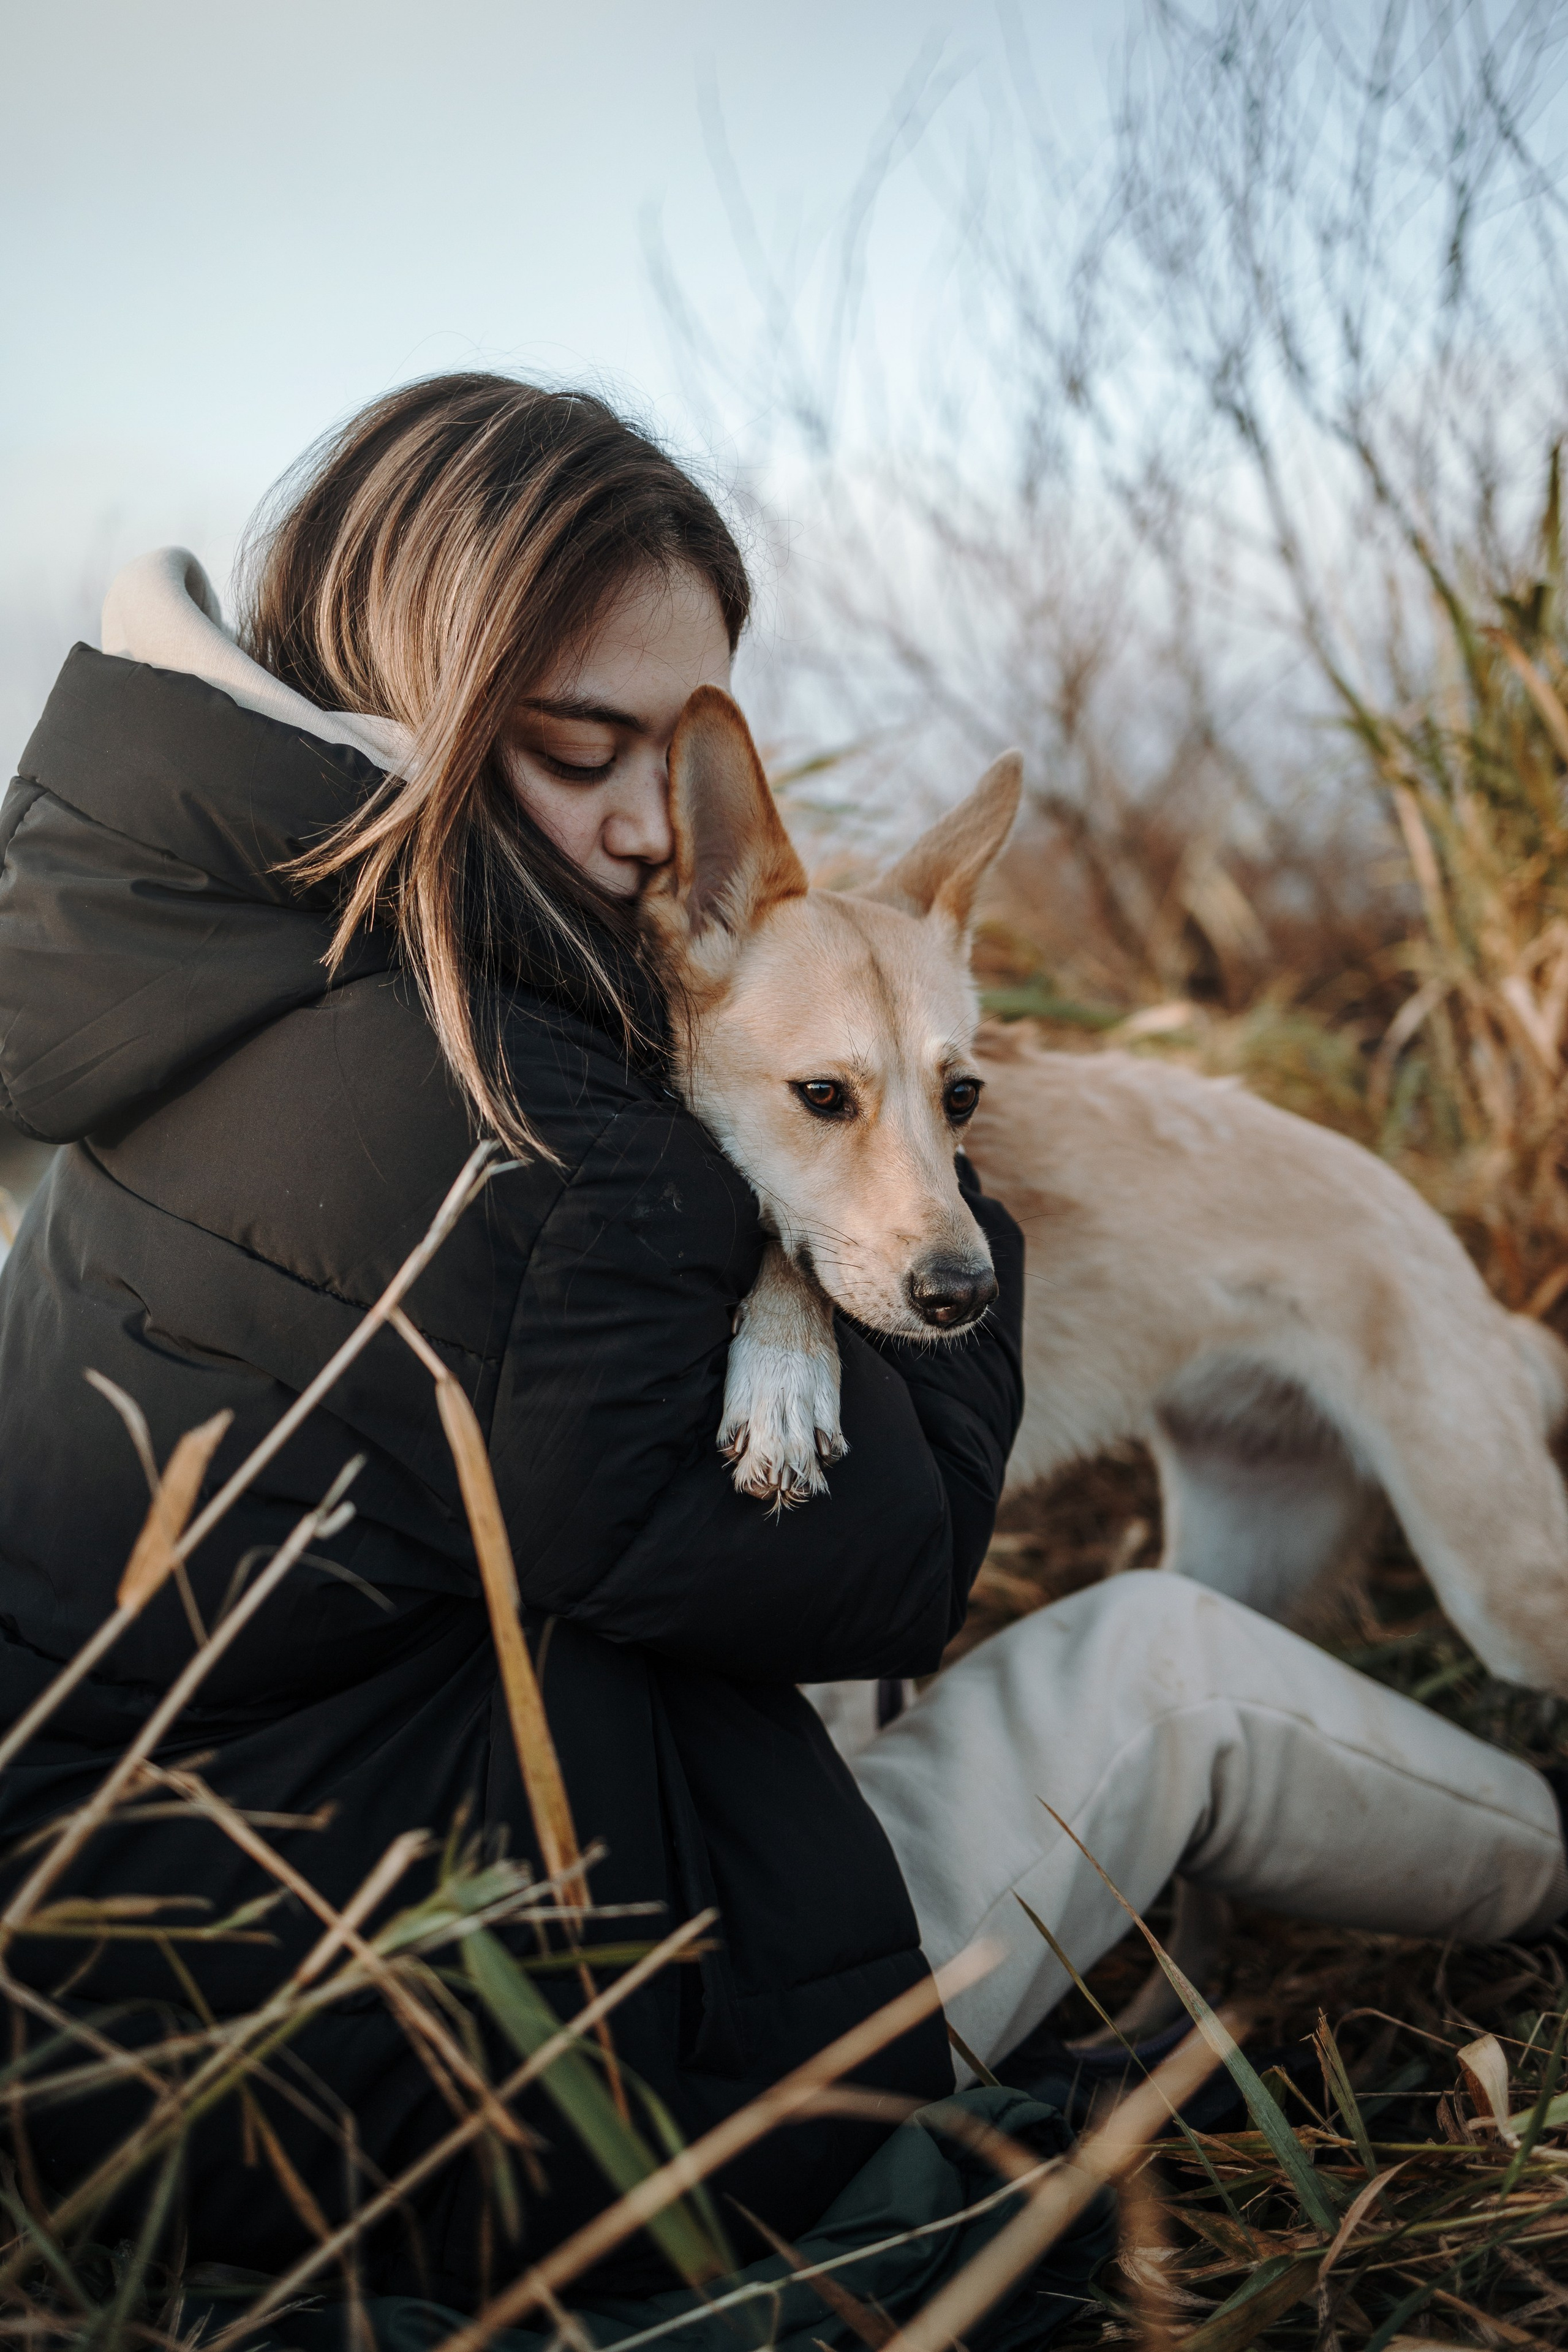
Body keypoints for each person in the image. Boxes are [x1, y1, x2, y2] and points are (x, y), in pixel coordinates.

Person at [0, 374, 1562, 2331]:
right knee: (1170, 1667)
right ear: (434, 689)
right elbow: (886, 1572)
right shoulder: (524, 1128)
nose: (661, 834)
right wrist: (942, 1204)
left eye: (692, 739)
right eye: (587, 746)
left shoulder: (194, 990)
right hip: (525, 2094)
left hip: (130, 1998)